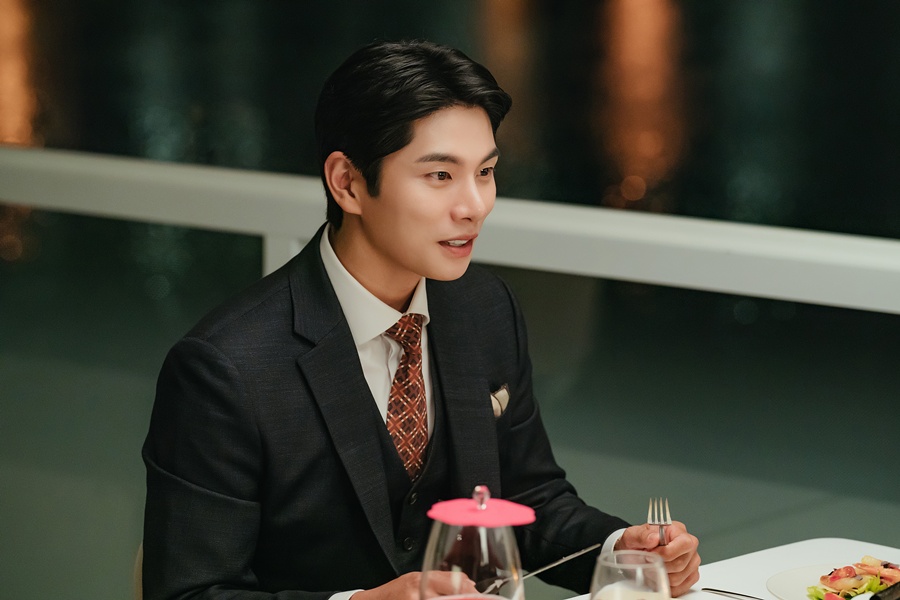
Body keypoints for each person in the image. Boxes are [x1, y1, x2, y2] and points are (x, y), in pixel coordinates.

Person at [141, 39, 700, 600]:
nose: (474, 205)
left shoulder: (485, 309)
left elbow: (527, 498)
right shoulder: (225, 367)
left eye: (486, 171)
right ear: (348, 183)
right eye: (440, 176)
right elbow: (189, 592)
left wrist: (622, 553)